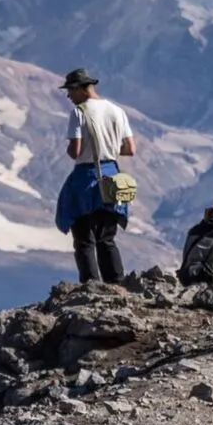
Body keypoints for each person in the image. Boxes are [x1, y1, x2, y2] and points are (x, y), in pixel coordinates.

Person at [53, 68, 135, 284]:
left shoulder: (79, 113)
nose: (69, 96)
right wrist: (109, 148)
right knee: (107, 237)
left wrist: (73, 149)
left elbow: (76, 151)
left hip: (85, 177)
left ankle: (91, 284)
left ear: (80, 89)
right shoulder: (117, 111)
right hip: (113, 176)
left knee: (84, 238)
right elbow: (130, 148)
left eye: (70, 91)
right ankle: (117, 282)